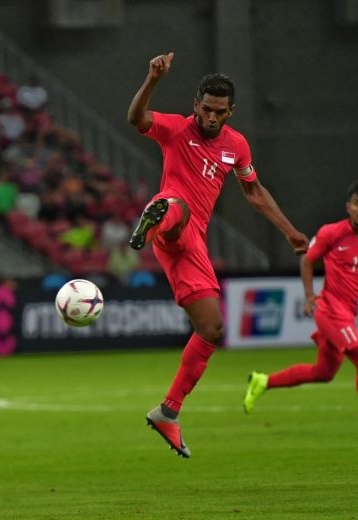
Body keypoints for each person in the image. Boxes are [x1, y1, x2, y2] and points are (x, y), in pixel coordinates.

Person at [127, 52, 310, 458]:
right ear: (195, 105)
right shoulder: (176, 129)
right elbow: (136, 119)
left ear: (231, 112)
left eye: (219, 112)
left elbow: (254, 192)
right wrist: (152, 79)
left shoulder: (236, 146)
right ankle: (152, 223)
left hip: (195, 246)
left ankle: (168, 412)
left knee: (212, 330)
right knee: (176, 207)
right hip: (176, 220)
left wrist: (290, 231)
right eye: (206, 110)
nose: (211, 118)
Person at [243, 180, 358, 438]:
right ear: (348, 207)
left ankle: (263, 381)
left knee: (324, 372)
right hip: (329, 310)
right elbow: (307, 259)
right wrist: (309, 295)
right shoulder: (332, 232)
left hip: (347, 313)